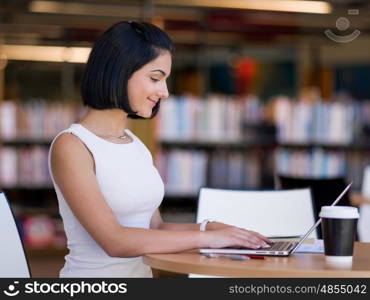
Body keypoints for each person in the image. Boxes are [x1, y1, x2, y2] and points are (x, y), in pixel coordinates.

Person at [48, 21, 271, 278]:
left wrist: (209, 230)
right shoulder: (72, 145)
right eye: (155, 78)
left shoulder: (134, 144)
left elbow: (155, 227)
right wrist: (209, 240)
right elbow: (115, 241)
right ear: (120, 72)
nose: (164, 92)